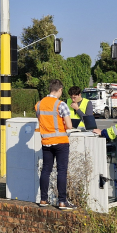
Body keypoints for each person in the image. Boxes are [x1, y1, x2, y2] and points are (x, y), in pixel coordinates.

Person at [35, 79, 76, 209]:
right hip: (61, 142)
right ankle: (62, 201)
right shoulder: (61, 104)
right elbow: (69, 125)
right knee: (61, 171)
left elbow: (42, 121)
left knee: (46, 170)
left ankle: (43, 200)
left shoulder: (39, 105)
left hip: (46, 142)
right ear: (60, 90)